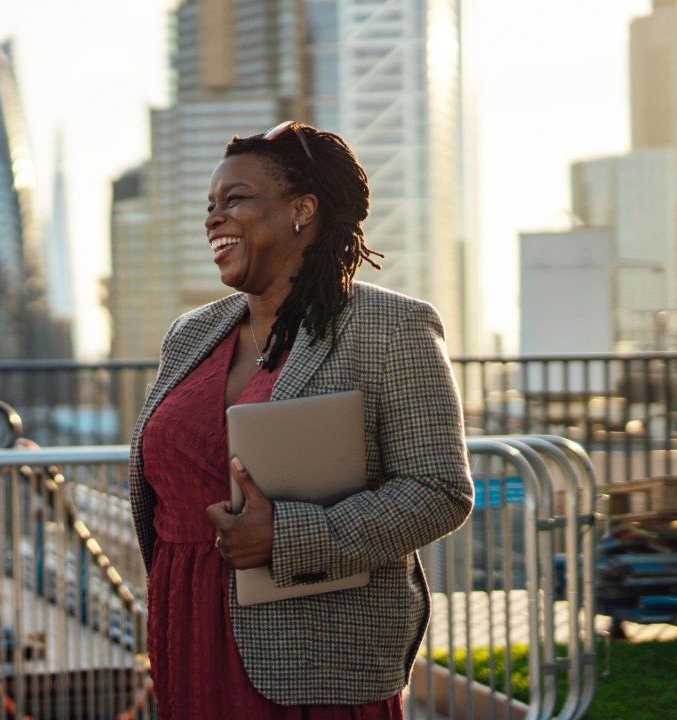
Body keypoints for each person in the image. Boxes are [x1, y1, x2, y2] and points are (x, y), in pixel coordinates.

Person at [127, 121, 474, 718]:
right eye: (210, 205)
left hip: (316, 651)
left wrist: (287, 536)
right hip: (187, 630)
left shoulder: (390, 328)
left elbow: (441, 489)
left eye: (235, 199)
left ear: (302, 210)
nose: (213, 217)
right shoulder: (190, 334)